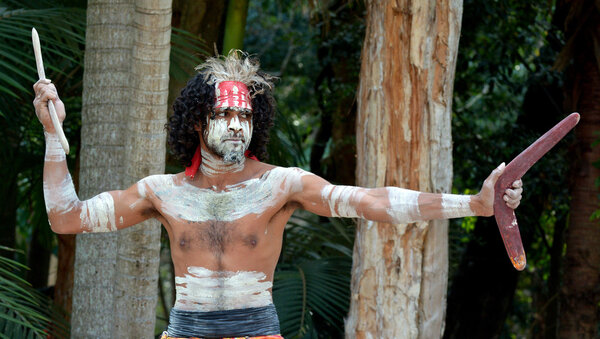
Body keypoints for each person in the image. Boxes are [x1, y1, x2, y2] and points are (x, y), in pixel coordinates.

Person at [33, 51, 523, 339]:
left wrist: (474, 204)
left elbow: (371, 200)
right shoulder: (162, 192)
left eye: (245, 117)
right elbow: (65, 218)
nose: (235, 125)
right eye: (224, 115)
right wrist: (55, 140)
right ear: (198, 121)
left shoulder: (280, 185)